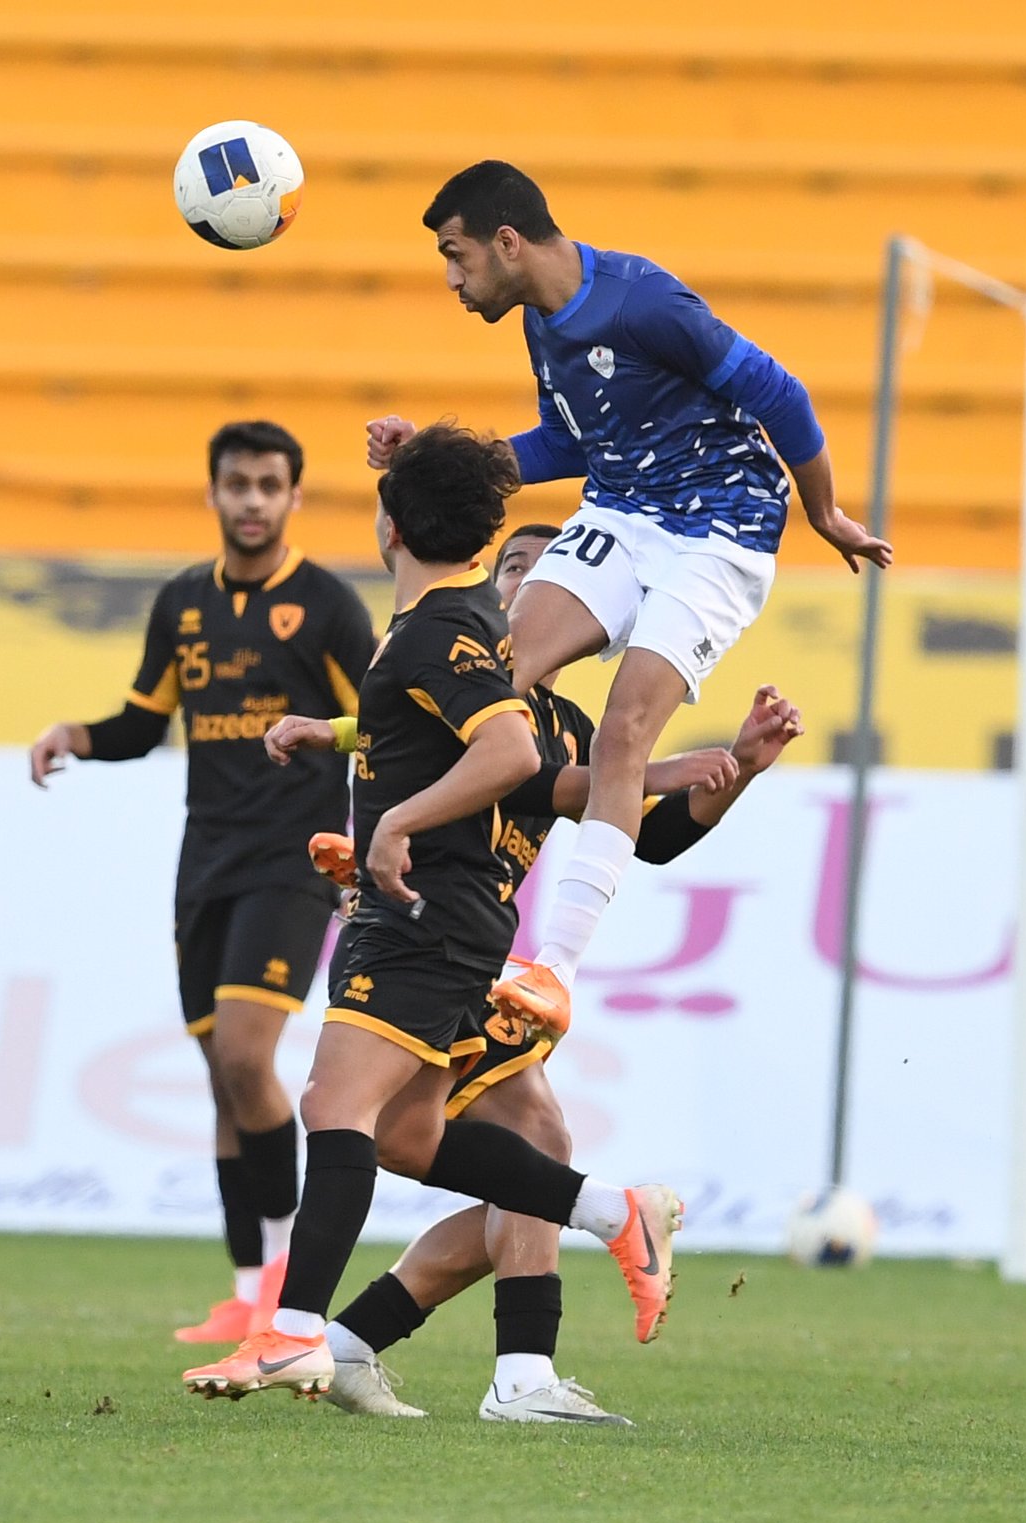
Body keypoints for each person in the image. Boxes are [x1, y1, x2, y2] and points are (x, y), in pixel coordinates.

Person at [181, 425, 683, 1406]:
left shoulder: (432, 631)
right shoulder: (452, 624)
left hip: (423, 909)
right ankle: (615, 1212)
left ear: (389, 527)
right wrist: (350, 753)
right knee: (407, 1137)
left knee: (335, 1108)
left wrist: (394, 825)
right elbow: (472, 747)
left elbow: (508, 755)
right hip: (438, 911)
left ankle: (293, 1335)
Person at [275, 523, 802, 1423]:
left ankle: (370, 1342)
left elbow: (647, 837)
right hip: (427, 943)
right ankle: (516, 1369)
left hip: (472, 955)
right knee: (518, 1148)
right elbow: (524, 775)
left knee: (522, 1162)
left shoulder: (566, 727)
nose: (531, 587)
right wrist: (647, 768)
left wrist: (739, 768)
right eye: (517, 568)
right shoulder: (472, 694)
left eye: (550, 571)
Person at [363, 160, 888, 1048]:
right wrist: (432, 460)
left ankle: (554, 970)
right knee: (488, 675)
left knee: (622, 729)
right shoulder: (540, 321)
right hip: (624, 511)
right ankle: (387, 843)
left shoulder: (644, 303)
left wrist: (824, 511)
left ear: (506, 241)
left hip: (722, 528)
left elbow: (781, 394)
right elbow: (570, 440)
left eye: (456, 255)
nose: (452, 278)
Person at [28, 420, 376, 1341]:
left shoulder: (329, 606)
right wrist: (74, 736)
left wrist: (370, 847)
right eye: (237, 484)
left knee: (246, 1060)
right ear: (214, 491)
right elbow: (144, 724)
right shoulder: (183, 603)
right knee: (223, 1078)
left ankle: (288, 1278)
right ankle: (247, 1287)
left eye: (269, 485)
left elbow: (384, 726)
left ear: (294, 496)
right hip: (206, 864)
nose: (252, 501)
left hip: (294, 863)